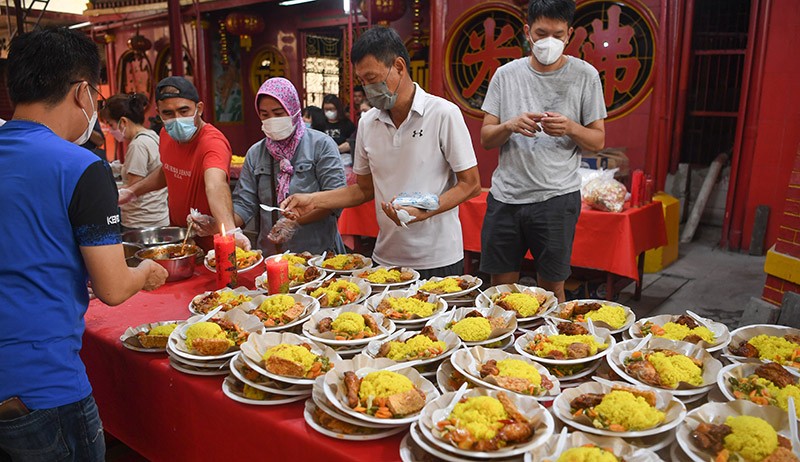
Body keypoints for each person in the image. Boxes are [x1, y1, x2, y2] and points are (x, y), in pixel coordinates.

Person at [0, 28, 167, 462]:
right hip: (43, 385)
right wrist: (146, 272)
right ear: (82, 94)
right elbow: (111, 288)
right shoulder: (80, 167)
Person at [282, 26, 481, 278]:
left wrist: (424, 212)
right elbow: (363, 189)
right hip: (385, 258)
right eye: (362, 81)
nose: (367, 88)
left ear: (399, 66)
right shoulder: (367, 122)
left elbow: (471, 184)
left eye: (373, 78)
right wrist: (312, 200)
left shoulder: (443, 114)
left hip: (438, 257)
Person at [479, 0, 606, 302]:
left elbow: (598, 141)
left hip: (556, 200)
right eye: (541, 32)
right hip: (505, 198)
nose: (549, 41)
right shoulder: (506, 75)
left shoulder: (585, 75)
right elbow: (486, 138)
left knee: (552, 289)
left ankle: (550, 347)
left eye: (558, 34)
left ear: (569, 35)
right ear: (527, 32)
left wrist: (571, 128)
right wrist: (509, 125)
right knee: (501, 290)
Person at [192, 78, 346, 255]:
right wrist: (221, 223)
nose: (272, 120)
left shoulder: (321, 145)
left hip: (318, 254)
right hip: (271, 255)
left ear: (293, 109)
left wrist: (296, 221)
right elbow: (245, 204)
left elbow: (336, 199)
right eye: (265, 115)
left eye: (279, 113)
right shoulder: (256, 153)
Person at [118, 76, 248, 250]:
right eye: (168, 113)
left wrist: (230, 232)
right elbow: (167, 170)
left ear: (199, 109)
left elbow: (215, 184)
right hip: (180, 239)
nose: (177, 119)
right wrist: (132, 192)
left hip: (213, 246)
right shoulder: (166, 135)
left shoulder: (212, 142)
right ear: (158, 112)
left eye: (184, 111)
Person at [100, 93, 169, 230]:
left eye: (111, 125)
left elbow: (132, 189)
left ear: (123, 122)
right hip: (158, 218)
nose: (110, 130)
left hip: (141, 222)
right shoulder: (151, 136)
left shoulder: (138, 145)